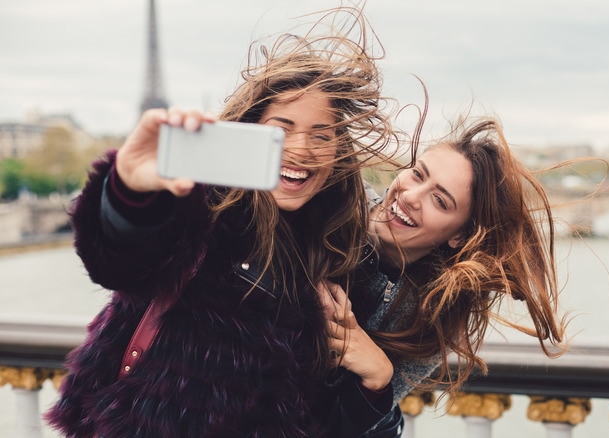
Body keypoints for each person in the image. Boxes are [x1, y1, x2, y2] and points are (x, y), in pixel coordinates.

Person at [45, 9, 409, 438]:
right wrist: (130, 191)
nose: (301, 148)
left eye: (321, 135)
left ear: (338, 152)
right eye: (283, 128)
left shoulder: (334, 252)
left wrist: (377, 379)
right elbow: (117, 260)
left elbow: (312, 421)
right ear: (252, 129)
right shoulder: (202, 208)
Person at [318, 116, 569, 417]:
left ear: (460, 235)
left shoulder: (434, 313)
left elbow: (346, 424)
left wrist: (380, 377)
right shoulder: (331, 194)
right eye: (417, 174)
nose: (410, 196)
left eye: (439, 200)